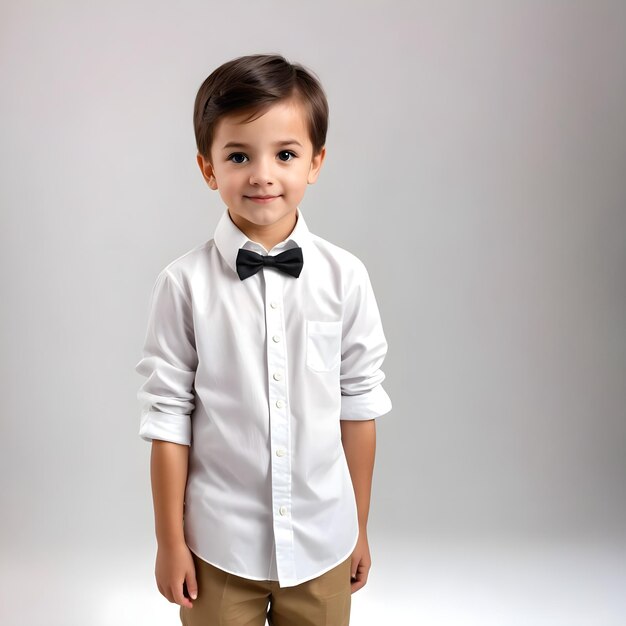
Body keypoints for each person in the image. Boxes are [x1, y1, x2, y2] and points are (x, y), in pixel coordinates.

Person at [135, 53, 392, 626]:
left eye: (285, 154)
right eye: (238, 156)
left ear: (316, 162)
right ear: (208, 169)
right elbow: (168, 418)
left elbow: (359, 405)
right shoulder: (183, 284)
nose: (262, 174)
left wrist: (358, 528)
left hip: (323, 540)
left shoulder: (346, 278)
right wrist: (170, 542)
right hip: (218, 549)